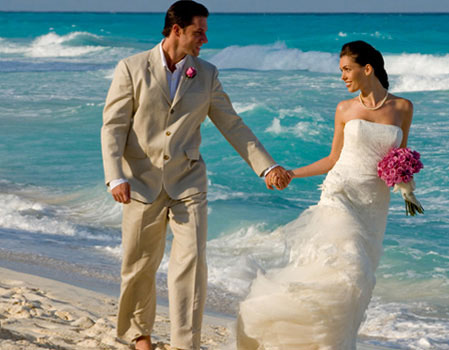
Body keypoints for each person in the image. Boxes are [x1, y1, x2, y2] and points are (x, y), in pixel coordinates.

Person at [100, 1, 290, 349]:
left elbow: (232, 124)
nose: (205, 38)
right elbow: (113, 126)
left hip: (188, 180)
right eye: (198, 31)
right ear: (176, 30)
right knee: (139, 264)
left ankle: (185, 343)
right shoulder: (131, 68)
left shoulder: (207, 73)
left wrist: (267, 165)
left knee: (191, 265)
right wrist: (115, 176)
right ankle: (139, 335)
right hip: (140, 180)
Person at [236, 40, 414, 349]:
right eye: (341, 71)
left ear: (367, 69)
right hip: (340, 194)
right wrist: (291, 172)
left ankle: (328, 342)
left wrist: (406, 186)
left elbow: (398, 159)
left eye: (347, 69)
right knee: (349, 267)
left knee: (357, 282)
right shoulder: (344, 109)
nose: (343, 76)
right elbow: (333, 159)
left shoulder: (402, 108)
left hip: (374, 205)